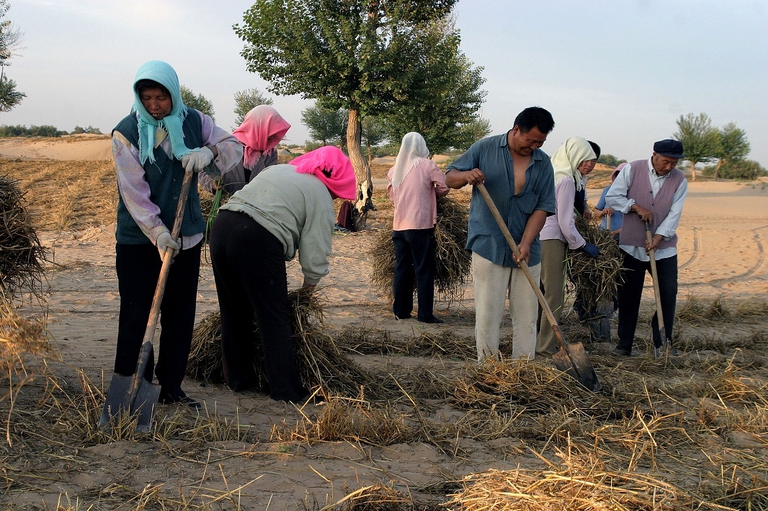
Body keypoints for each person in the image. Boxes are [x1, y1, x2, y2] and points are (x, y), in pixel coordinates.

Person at [112, 60, 243, 408]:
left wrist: (208, 151)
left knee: (179, 314)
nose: (155, 105)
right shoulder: (125, 133)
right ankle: (133, 385)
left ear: (174, 93)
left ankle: (171, 386)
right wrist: (157, 233)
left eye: (162, 97)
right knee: (138, 313)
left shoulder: (195, 122)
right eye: (148, 97)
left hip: (186, 235)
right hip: (139, 240)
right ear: (139, 97)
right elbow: (134, 194)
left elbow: (234, 147)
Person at [209, 146, 356, 402]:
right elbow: (316, 249)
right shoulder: (319, 193)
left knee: (233, 309)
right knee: (275, 316)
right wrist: (308, 288)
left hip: (222, 228)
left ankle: (237, 379)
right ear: (336, 180)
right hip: (255, 237)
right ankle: (286, 390)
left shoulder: (279, 170)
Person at [445, 107, 556, 362]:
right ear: (517, 130)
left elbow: (543, 207)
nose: (535, 147)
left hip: (528, 250)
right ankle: (488, 369)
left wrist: (526, 243)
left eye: (540, 142)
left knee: (527, 316)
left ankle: (523, 369)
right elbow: (449, 177)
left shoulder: (543, 163)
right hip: (489, 244)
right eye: (531, 141)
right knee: (488, 314)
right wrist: (466, 175)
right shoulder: (484, 149)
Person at [606, 139, 688, 357]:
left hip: (664, 249)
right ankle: (624, 345)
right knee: (629, 295)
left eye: (674, 163)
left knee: (668, 292)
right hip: (631, 245)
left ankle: (663, 344)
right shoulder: (633, 169)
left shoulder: (680, 180)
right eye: (665, 162)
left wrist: (660, 236)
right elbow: (613, 197)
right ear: (654, 155)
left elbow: (675, 213)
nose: (669, 167)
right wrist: (634, 206)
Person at [536, 137, 599, 357]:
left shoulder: (558, 174)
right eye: (585, 159)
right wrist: (581, 244)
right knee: (554, 295)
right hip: (552, 238)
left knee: (542, 292)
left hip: (541, 235)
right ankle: (545, 347)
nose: (589, 164)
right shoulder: (565, 181)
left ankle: (536, 341)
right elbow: (564, 221)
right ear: (574, 157)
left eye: (592, 161)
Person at [387, 132, 450, 324]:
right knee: (423, 269)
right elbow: (444, 187)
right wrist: (433, 195)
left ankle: (401, 311)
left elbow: (391, 198)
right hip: (420, 226)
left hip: (399, 226)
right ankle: (425, 315)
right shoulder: (427, 165)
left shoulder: (394, 169)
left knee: (402, 268)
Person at [198, 105, 291, 195]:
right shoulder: (228, 144)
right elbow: (201, 169)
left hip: (254, 206)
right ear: (258, 127)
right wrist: (211, 184)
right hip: (227, 204)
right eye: (270, 132)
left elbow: (269, 180)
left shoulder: (270, 152)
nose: (272, 138)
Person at [594, 163, 628, 240]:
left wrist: (614, 233)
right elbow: (596, 212)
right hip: (603, 236)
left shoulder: (634, 194)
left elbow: (634, 224)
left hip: (623, 239)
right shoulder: (608, 190)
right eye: (618, 177)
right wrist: (603, 212)